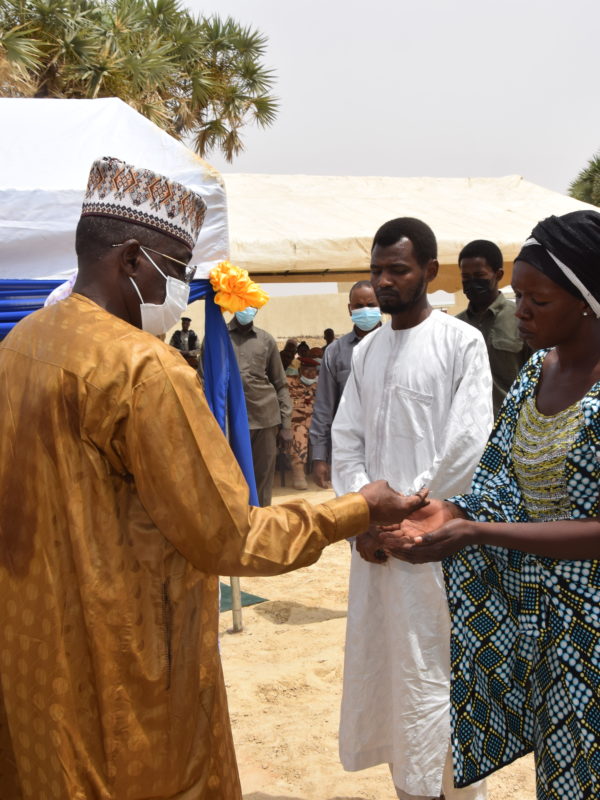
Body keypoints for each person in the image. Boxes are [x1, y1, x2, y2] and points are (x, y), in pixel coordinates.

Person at [0, 156, 429, 800]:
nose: (182, 290)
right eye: (178, 273)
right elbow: (232, 538)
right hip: (122, 680)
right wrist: (358, 508)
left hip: (30, 668)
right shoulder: (144, 370)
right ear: (132, 261)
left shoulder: (22, 344)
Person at [381, 209, 600, 800]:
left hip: (594, 627)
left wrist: (481, 533)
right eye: (518, 295)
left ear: (588, 299)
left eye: (539, 299)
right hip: (550, 630)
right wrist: (444, 513)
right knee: (563, 774)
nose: (521, 311)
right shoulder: (537, 375)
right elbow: (501, 478)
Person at [332, 217, 493, 800]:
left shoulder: (460, 342)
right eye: (376, 270)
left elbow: (468, 439)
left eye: (396, 269)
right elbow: (346, 437)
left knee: (437, 673)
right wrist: (362, 516)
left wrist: (411, 516)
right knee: (393, 676)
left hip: (434, 548)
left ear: (428, 271)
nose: (383, 282)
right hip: (376, 549)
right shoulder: (367, 350)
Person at [310, 280, 381, 488]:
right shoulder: (335, 352)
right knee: (355, 510)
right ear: (350, 309)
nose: (365, 310)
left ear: (381, 306)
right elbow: (324, 406)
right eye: (359, 306)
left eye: (371, 305)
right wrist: (319, 456)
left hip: (390, 445)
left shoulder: (396, 344)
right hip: (350, 449)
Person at [224, 306, 293, 506]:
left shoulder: (266, 340)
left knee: (262, 479)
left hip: (265, 419)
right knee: (233, 479)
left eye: (252, 306)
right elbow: (203, 380)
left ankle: (261, 529)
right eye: (243, 304)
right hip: (231, 421)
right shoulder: (218, 338)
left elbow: (280, 384)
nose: (247, 309)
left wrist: (286, 425)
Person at [456, 240, 529, 416]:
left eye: (479, 275)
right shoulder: (455, 326)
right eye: (466, 277)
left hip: (511, 426)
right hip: (467, 428)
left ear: (498, 274)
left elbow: (539, 375)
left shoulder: (521, 318)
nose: (472, 282)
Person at [287, 357, 319, 490]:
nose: (310, 374)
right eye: (306, 370)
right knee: (299, 432)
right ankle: (299, 473)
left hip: (317, 421)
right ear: (300, 371)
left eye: (312, 371)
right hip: (297, 422)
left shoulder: (320, 385)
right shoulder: (291, 383)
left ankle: (329, 469)